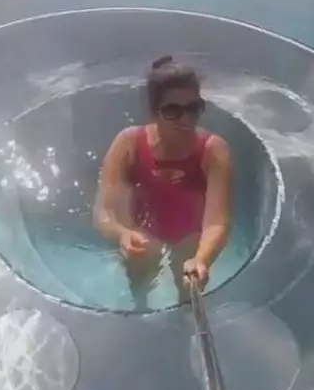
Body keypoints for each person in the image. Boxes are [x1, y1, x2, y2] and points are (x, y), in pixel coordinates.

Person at [94, 56, 232, 309]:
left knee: (189, 278)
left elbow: (217, 222)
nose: (186, 119)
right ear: (153, 113)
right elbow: (104, 212)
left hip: (190, 237)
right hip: (143, 233)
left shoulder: (213, 151)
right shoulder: (129, 144)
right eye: (173, 111)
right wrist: (123, 233)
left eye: (193, 108)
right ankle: (140, 305)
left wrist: (201, 259)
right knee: (141, 266)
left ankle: (184, 312)